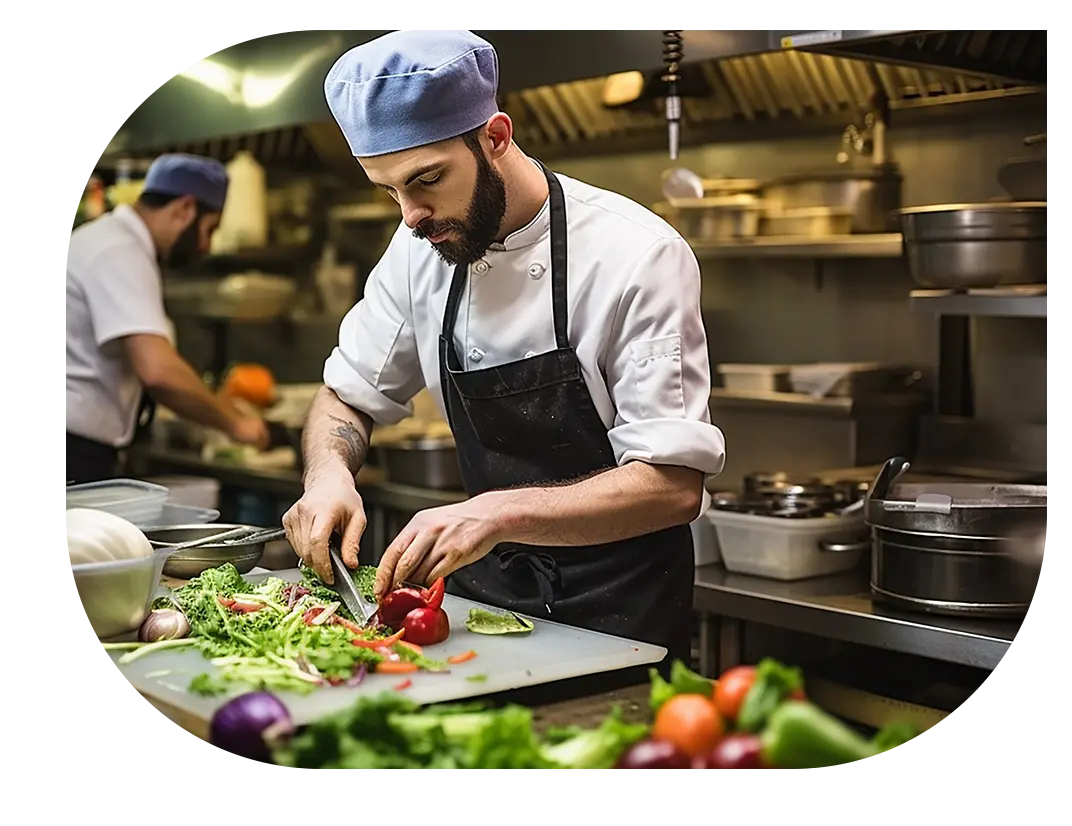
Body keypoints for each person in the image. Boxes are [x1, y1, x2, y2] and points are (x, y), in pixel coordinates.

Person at [282, 29, 726, 664]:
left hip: (621, 613)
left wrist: (495, 514)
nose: (411, 215)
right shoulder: (417, 250)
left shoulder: (636, 255)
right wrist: (327, 475)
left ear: (495, 137)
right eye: (389, 191)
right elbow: (346, 395)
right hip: (477, 609)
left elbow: (672, 486)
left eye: (427, 180)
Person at [64, 153, 270, 485]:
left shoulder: (106, 239)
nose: (206, 245)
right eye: (209, 229)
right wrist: (236, 424)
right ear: (184, 209)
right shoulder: (119, 251)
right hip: (71, 454)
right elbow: (159, 371)